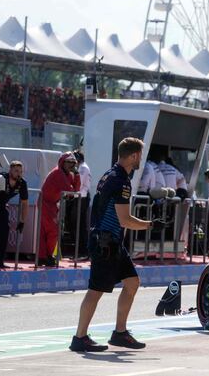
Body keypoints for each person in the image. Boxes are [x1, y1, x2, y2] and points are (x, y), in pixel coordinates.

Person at [70, 137, 152, 352]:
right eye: (140, 156)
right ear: (133, 155)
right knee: (95, 290)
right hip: (105, 242)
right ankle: (79, 337)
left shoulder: (111, 174)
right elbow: (125, 219)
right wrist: (150, 225)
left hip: (111, 241)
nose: (140, 160)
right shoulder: (121, 181)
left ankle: (120, 333)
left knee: (132, 282)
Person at [39, 152, 81, 266]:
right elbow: (70, 190)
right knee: (52, 231)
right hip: (46, 203)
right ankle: (46, 256)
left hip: (52, 204)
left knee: (47, 232)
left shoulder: (68, 174)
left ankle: (43, 256)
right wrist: (74, 182)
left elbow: (75, 191)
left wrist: (76, 175)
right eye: (69, 162)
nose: (71, 165)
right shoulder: (58, 173)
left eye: (73, 163)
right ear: (62, 162)